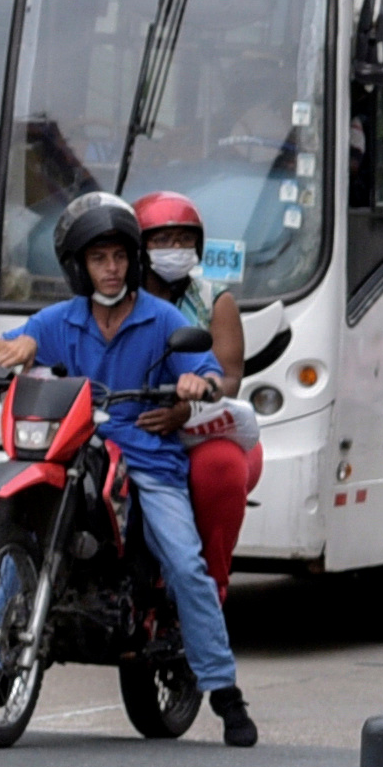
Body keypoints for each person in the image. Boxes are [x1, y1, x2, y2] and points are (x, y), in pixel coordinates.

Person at [0, 195, 253, 748]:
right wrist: (1, 353)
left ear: (132, 261)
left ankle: (225, 692)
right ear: (80, 266)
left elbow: (211, 373)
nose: (111, 268)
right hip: (73, 449)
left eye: (120, 257)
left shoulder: (163, 319)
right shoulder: (60, 319)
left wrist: (195, 384)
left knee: (184, 561)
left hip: (148, 458)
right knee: (19, 529)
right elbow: (9, 348)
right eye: (99, 258)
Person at [132, 194, 254, 594]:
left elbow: (229, 379)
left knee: (220, 466)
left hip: (200, 430)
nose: (175, 249)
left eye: (184, 240)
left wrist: (194, 400)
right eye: (162, 240)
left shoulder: (214, 300)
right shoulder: (119, 299)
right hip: (130, 423)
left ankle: (207, 590)